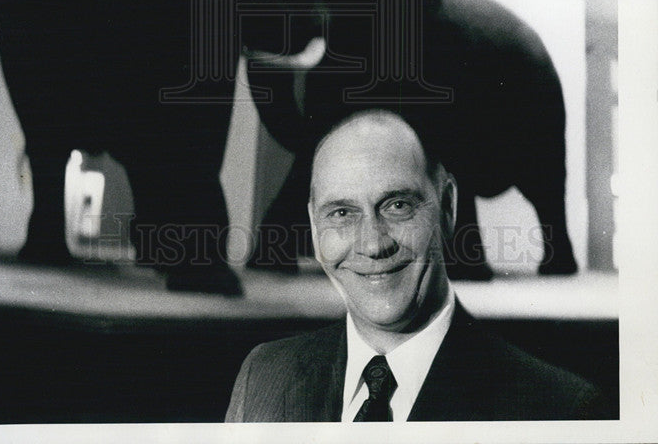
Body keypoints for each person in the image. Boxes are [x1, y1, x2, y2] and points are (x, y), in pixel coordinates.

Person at [226, 109, 605, 422]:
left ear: (449, 207)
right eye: (341, 213)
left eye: (398, 206)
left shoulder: (560, 409)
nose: (373, 244)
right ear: (312, 224)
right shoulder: (262, 377)